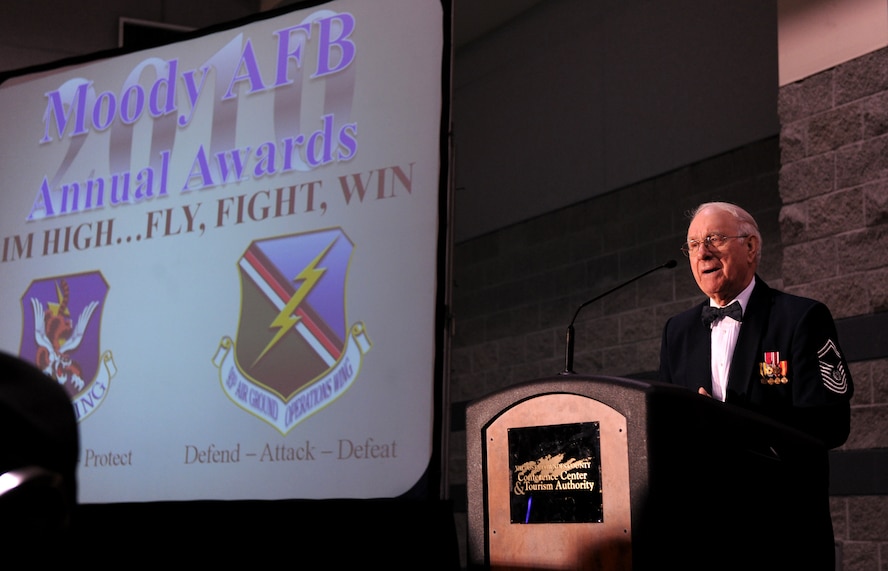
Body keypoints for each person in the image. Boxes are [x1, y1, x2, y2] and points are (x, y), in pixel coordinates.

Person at [659, 201, 853, 569]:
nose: (702, 252)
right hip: (703, 536)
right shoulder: (677, 332)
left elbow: (830, 425)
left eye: (714, 238)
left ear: (750, 248)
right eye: (693, 243)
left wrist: (727, 424)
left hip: (781, 534)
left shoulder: (801, 318)